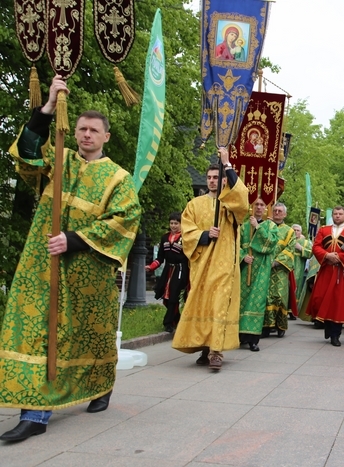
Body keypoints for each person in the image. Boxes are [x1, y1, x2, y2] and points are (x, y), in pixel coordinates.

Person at [0, 75, 142, 442]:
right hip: (41, 263)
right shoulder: (58, 156)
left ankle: (99, 386)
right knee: (36, 333)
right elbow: (27, 153)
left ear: (106, 136)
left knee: (86, 337)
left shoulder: (118, 178)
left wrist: (75, 240)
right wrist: (47, 108)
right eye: (81, 128)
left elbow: (125, 220)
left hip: (85, 271)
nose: (86, 135)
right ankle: (34, 412)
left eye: (94, 130)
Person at [171, 151, 249, 370]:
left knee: (219, 304)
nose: (213, 181)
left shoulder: (229, 204)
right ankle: (205, 347)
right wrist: (205, 235)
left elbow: (242, 200)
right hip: (202, 265)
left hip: (225, 264)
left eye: (217, 177)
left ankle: (217, 351)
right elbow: (187, 232)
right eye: (210, 178)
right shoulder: (194, 205)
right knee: (204, 305)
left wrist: (227, 164)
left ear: (224, 180)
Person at [307, 206, 344, 346]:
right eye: (335, 214)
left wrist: (340, 258)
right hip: (327, 270)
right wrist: (327, 255)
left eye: (340, 214)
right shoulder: (324, 230)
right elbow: (316, 246)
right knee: (322, 299)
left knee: (339, 302)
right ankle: (328, 327)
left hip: (343, 272)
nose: (337, 216)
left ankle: (335, 334)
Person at [238, 198, 278, 351]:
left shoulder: (270, 225)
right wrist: (243, 256)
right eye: (256, 204)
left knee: (257, 302)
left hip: (261, 268)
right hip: (245, 269)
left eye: (262, 205)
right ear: (251, 207)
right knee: (242, 301)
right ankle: (240, 336)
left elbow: (271, 244)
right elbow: (237, 245)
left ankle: (253, 339)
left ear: (266, 207)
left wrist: (258, 227)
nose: (259, 207)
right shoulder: (243, 226)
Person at [146, 212, 189, 333]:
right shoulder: (164, 237)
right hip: (168, 270)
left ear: (181, 224)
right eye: (171, 223)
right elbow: (160, 258)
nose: (173, 226)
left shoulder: (185, 238)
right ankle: (177, 319)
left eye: (176, 223)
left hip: (181, 269)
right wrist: (151, 267)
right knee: (165, 296)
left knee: (173, 294)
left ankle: (168, 323)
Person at [264, 202, 297, 337]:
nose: (277, 213)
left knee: (279, 297)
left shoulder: (289, 231)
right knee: (265, 297)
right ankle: (266, 326)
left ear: (285, 214)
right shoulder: (266, 227)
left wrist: (276, 262)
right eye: (275, 211)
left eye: (279, 211)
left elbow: (290, 249)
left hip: (280, 270)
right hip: (264, 268)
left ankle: (280, 326)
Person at [291, 223, 313, 304]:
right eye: (294, 230)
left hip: (299, 267)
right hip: (287, 265)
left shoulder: (306, 242)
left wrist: (300, 248)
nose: (296, 232)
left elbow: (311, 254)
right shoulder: (287, 239)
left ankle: (293, 308)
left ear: (301, 232)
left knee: (296, 285)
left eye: (298, 230)